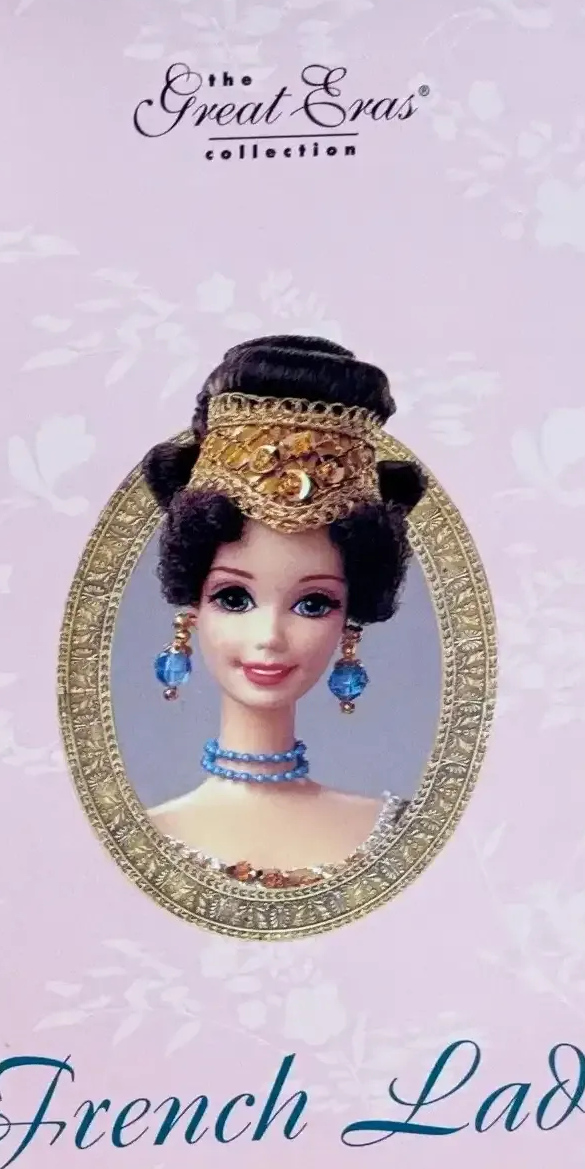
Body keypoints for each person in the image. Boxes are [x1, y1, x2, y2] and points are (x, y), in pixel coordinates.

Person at [137, 336, 429, 888]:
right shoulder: (137, 841)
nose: (269, 635)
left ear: (349, 621)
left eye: (313, 603)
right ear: (192, 608)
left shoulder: (401, 835)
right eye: (234, 598)